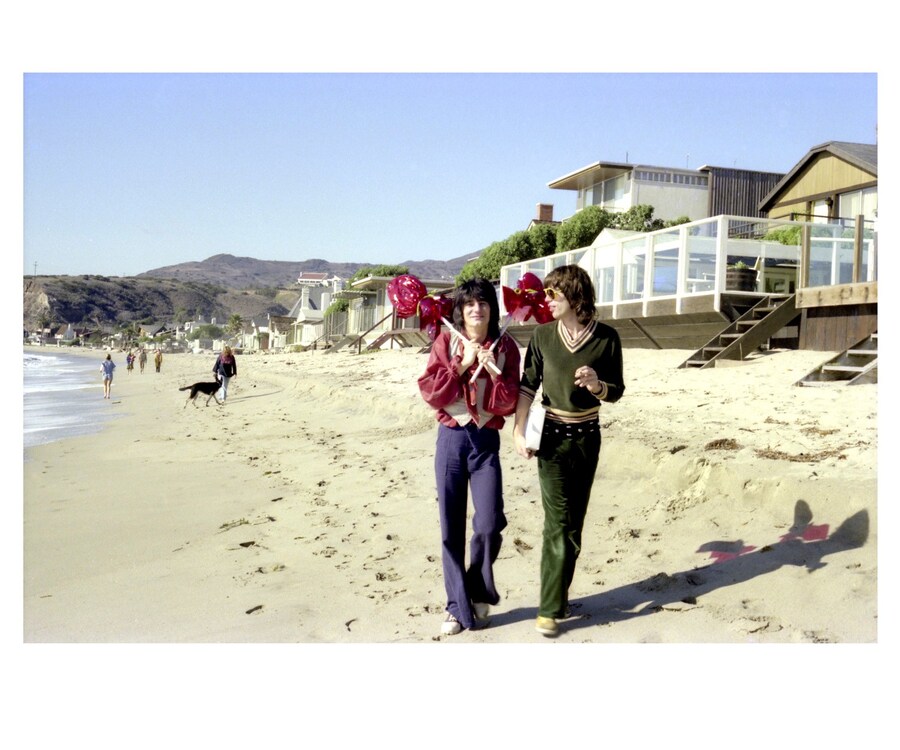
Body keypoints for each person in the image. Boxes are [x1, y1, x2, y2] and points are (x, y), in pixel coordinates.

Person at [512, 265, 625, 638]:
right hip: (552, 440)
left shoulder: (607, 338)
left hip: (588, 438)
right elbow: (528, 385)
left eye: (552, 293)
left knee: (574, 527)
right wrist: (518, 430)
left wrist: (596, 385)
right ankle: (548, 610)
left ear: (574, 296)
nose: (546, 300)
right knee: (557, 524)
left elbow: (616, 391)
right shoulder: (543, 335)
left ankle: (557, 598)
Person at [417, 278, 521, 636]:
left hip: (485, 442)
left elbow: (507, 402)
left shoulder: (506, 345)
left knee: (489, 523)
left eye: (484, 303)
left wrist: (492, 372)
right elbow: (432, 392)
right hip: (451, 438)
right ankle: (455, 607)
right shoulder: (446, 341)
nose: (478, 310)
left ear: (492, 309)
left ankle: (476, 591)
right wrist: (461, 366)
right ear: (460, 311)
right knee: (452, 527)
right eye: (470, 304)